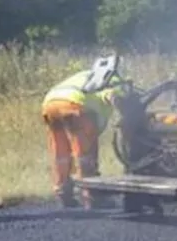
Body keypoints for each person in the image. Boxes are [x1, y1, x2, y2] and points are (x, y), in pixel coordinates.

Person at [41, 56, 130, 209]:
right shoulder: (112, 79)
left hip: (50, 103)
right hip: (75, 105)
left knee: (61, 153)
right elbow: (111, 96)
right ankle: (92, 196)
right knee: (85, 154)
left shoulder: (87, 74)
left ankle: (63, 191)